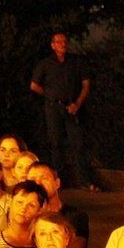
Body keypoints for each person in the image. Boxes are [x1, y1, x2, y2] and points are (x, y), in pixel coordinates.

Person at [29, 32, 92, 189]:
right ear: (53, 45)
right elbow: (34, 85)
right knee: (56, 144)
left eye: (64, 41)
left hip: (72, 107)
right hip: (53, 108)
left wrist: (77, 103)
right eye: (58, 42)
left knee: (77, 144)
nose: (62, 44)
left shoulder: (76, 62)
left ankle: (83, 181)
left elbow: (86, 84)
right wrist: (50, 96)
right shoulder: (45, 64)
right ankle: (59, 181)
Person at [26, 162, 88, 248]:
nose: (38, 183)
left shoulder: (75, 217)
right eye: (33, 180)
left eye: (44, 178)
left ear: (57, 183)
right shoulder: (26, 217)